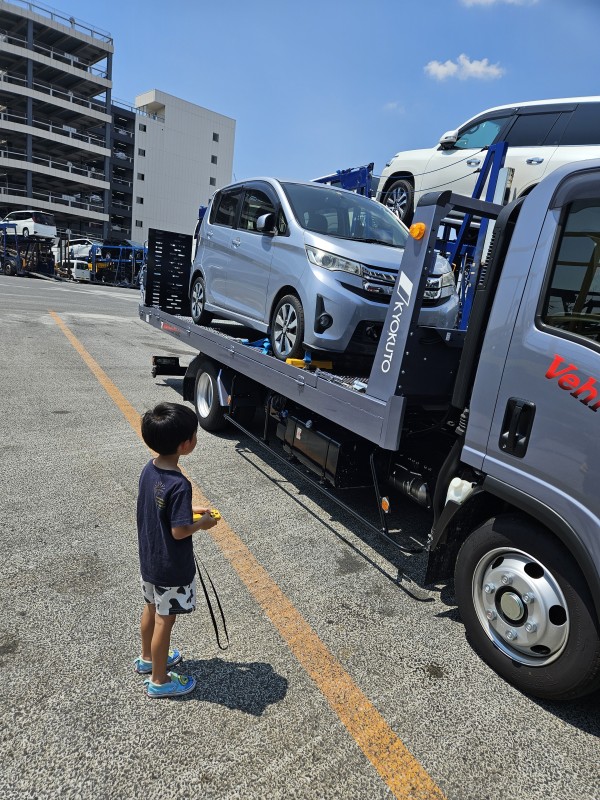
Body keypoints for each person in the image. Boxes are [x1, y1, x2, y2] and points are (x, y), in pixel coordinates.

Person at [134, 401, 217, 698]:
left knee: (151, 609)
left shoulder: (150, 469)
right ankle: (160, 679)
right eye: (195, 435)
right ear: (185, 445)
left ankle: (146, 659)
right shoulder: (179, 483)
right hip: (170, 567)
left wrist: (189, 510)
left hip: (150, 561)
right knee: (164, 622)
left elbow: (158, 507)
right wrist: (201, 524)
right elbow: (178, 531)